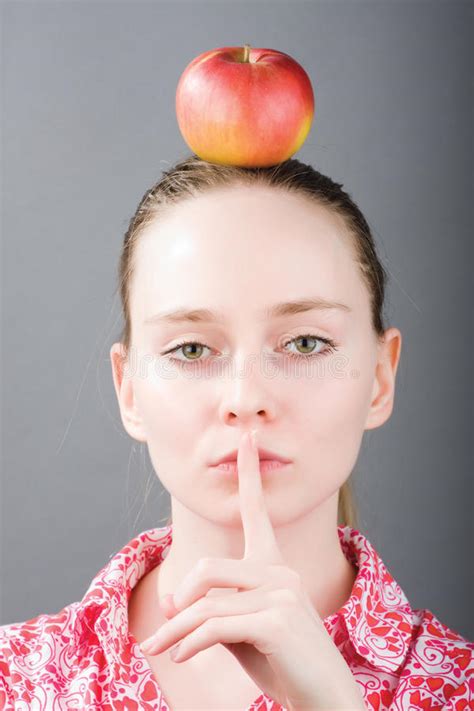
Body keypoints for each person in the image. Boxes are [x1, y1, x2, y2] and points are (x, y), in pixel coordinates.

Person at [0, 154, 471, 710]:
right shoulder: (15, 680)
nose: (247, 399)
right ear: (129, 390)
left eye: (305, 344)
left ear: (379, 377)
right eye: (191, 349)